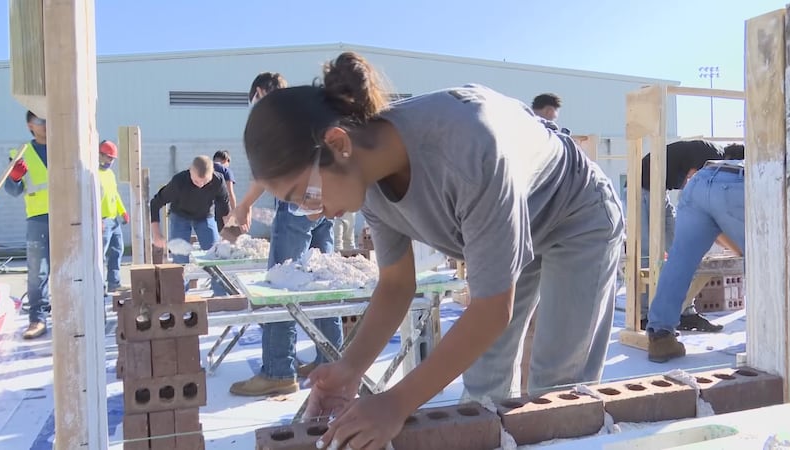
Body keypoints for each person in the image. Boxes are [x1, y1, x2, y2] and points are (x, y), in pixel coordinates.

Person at [242, 52, 624, 448]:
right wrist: (350, 368)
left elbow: (492, 309)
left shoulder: (467, 148)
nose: (310, 212)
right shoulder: (367, 179)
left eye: (304, 194)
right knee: (484, 383)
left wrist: (396, 403)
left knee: (557, 392)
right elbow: (396, 285)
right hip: (520, 220)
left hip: (576, 216)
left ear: (338, 143)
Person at [228, 72, 344, 398]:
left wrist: (244, 206)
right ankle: (332, 360)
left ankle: (278, 371)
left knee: (280, 286)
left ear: (260, 91)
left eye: (254, 100)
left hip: (295, 206)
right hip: (324, 203)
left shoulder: (275, 116)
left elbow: (268, 172)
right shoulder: (303, 111)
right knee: (325, 281)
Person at [646, 158, 745, 363]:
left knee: (679, 260)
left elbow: (715, 225)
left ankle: (660, 337)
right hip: (738, 183)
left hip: (699, 182)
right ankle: (773, 336)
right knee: (772, 260)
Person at [633, 140, 726, 333]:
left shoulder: (710, 155)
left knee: (681, 250)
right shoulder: (713, 158)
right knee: (646, 255)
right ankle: (643, 315)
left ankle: (685, 312)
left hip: (660, 191)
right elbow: (694, 186)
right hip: (640, 190)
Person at [149, 156, 229, 296]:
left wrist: (229, 235)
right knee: (180, 258)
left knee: (215, 254)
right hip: (180, 216)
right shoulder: (179, 181)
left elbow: (225, 210)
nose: (201, 185)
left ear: (212, 174)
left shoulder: (218, 180)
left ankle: (220, 295)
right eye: (197, 181)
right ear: (190, 171)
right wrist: (156, 234)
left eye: (205, 181)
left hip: (205, 216)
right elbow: (155, 204)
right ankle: (180, 295)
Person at [5, 111, 51, 339]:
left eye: (48, 119)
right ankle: (37, 319)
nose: (46, 124)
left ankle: (74, 314)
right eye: (40, 121)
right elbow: (12, 190)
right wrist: (14, 177)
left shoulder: (67, 147)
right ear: (30, 125)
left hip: (68, 216)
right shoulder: (21, 154)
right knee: (37, 272)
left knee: (73, 269)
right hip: (38, 218)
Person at [98, 140, 130, 292]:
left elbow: (114, 195)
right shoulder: (93, 174)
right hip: (102, 220)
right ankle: (99, 286)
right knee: (100, 255)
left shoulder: (110, 174)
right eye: (108, 157)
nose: (110, 161)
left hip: (113, 220)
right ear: (99, 155)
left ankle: (114, 283)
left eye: (113, 159)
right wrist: (97, 219)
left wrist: (123, 211)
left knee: (117, 250)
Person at [212, 149, 237, 232]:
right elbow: (230, 192)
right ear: (226, 160)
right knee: (227, 233)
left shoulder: (206, 169)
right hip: (222, 207)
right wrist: (234, 211)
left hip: (206, 206)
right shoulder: (226, 171)